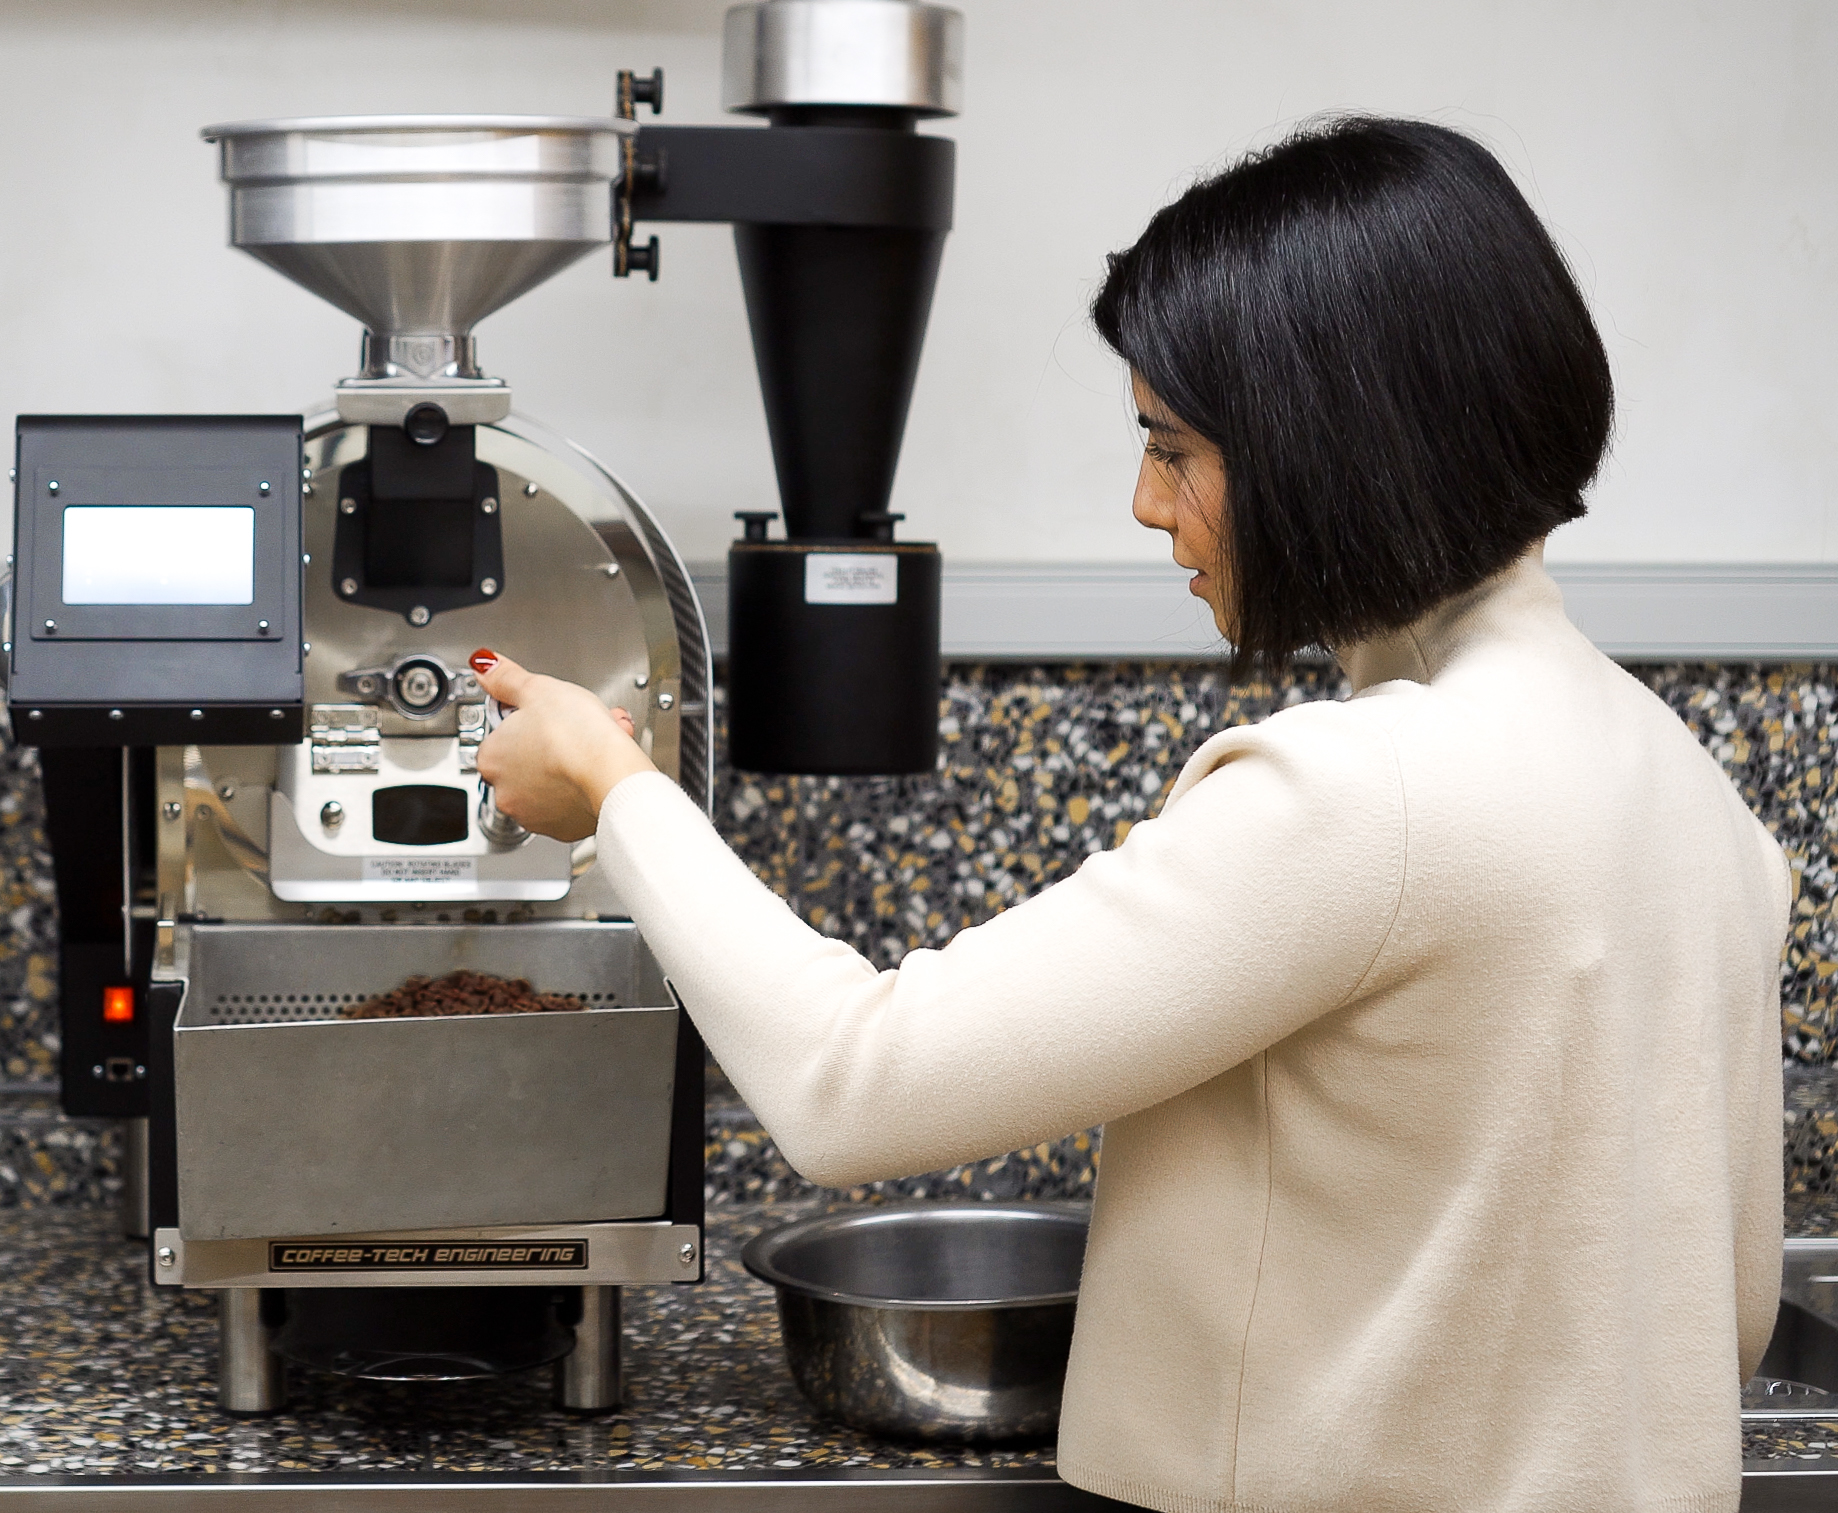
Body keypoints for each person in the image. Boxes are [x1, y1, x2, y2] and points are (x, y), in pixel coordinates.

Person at [471, 116, 1789, 1513]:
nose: (1145, 502)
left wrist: (619, 793)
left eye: (1172, 445)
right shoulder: (1691, 798)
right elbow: (1731, 1310)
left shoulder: (1363, 799)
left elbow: (848, 1078)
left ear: (1331, 446)